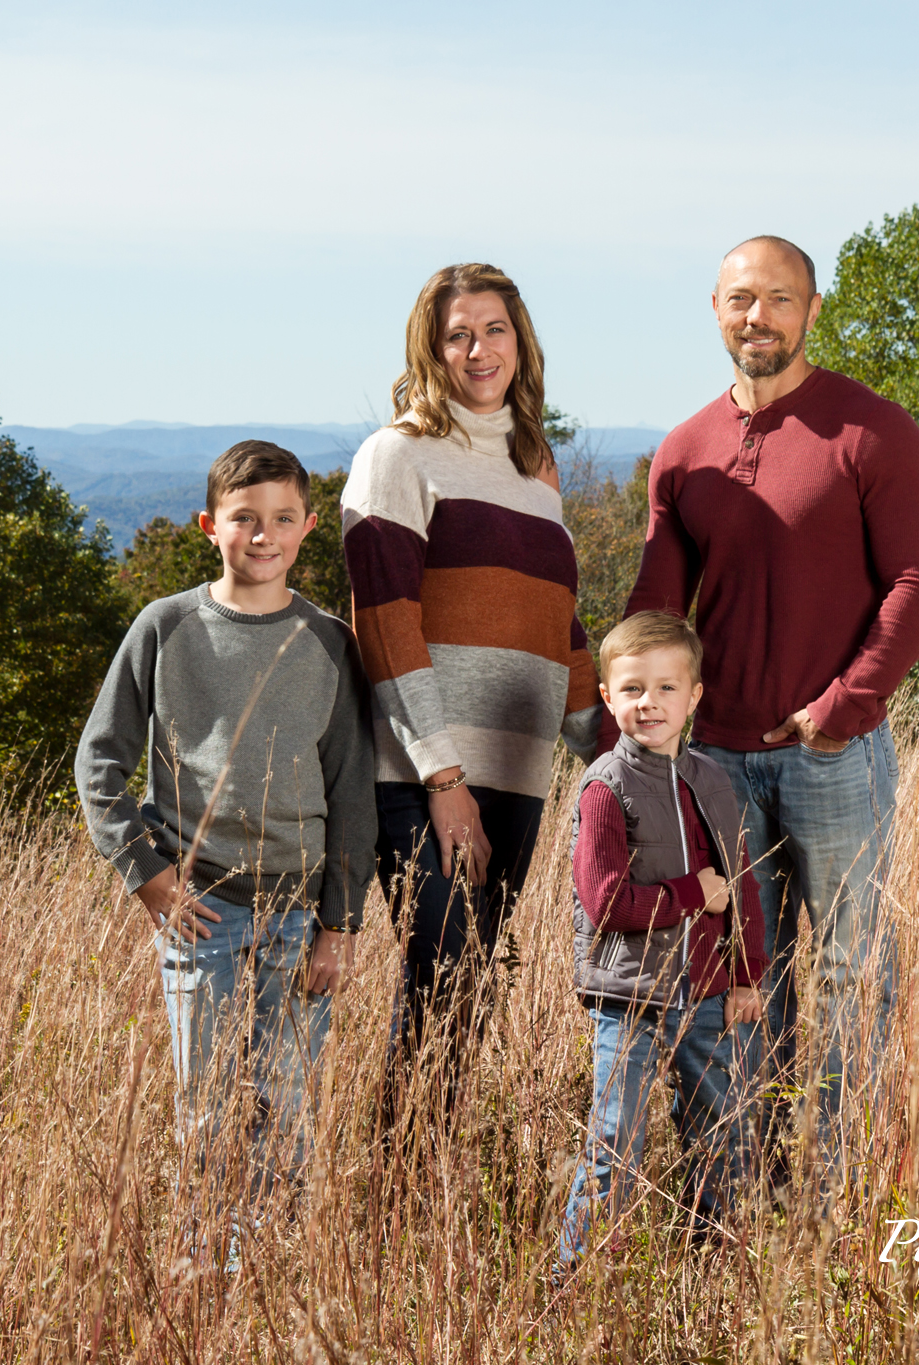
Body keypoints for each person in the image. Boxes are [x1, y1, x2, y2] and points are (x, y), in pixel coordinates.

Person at [616, 235, 919, 1195]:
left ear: (811, 310)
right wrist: (628, 739)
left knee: (849, 974)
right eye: (738, 299)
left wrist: (843, 706)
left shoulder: (871, 430)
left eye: (776, 299)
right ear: (714, 309)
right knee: (738, 987)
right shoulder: (683, 451)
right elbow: (657, 609)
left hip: (831, 756)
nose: (755, 317)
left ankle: (841, 1194)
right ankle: (738, 1193)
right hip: (716, 767)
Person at [75, 440, 376, 1267]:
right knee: (205, 1103)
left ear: (309, 528)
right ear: (212, 526)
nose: (263, 534)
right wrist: (149, 877)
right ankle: (203, 1259)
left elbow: (353, 794)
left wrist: (341, 925)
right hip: (199, 909)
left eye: (283, 519)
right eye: (245, 519)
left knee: (283, 1102)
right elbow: (98, 761)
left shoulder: (329, 642)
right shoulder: (166, 628)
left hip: (297, 913)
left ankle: (271, 1264)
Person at [341, 262, 601, 1126]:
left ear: (520, 342)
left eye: (494, 330)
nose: (478, 349)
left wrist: (617, 752)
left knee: (468, 985)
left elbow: (555, 628)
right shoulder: (398, 455)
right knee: (443, 973)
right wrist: (442, 779)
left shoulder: (536, 469)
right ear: (432, 347)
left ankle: (425, 1187)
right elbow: (385, 623)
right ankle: (399, 1196)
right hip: (426, 779)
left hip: (518, 776)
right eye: (458, 334)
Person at [556, 611, 767, 1273]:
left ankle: (710, 1276)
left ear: (695, 694)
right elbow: (608, 901)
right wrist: (686, 893)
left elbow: (740, 884)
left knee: (720, 1133)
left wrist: (746, 973)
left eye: (667, 687)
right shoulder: (604, 787)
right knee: (615, 1142)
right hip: (630, 998)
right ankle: (574, 1282)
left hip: (707, 994)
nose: (649, 702)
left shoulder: (711, 780)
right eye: (632, 688)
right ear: (608, 695)